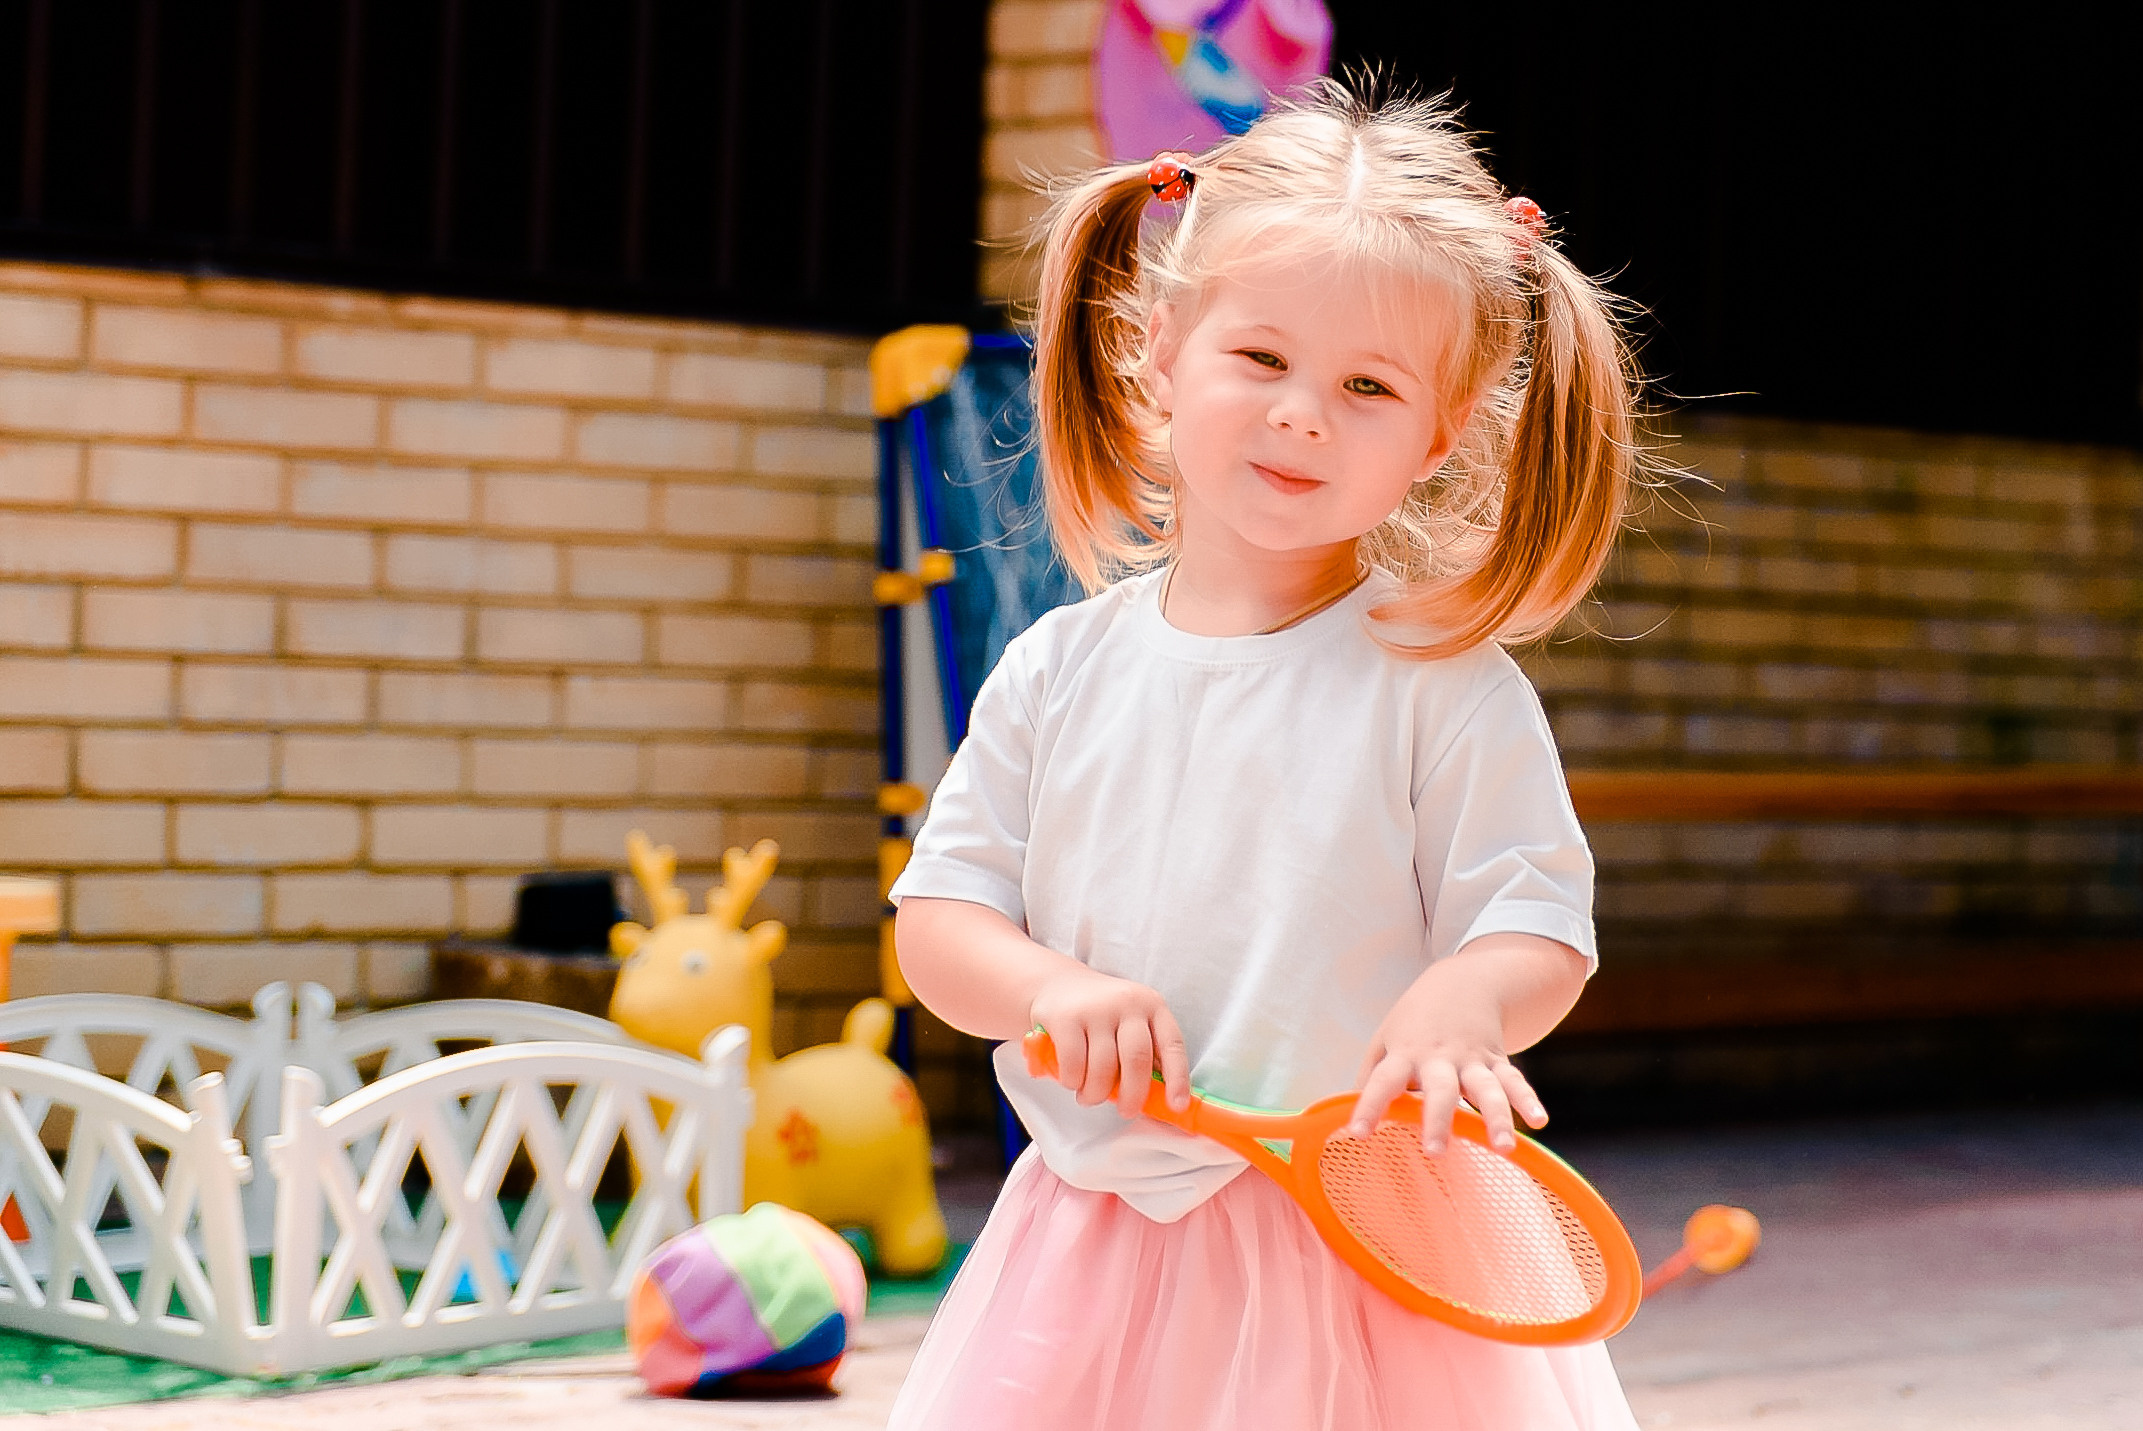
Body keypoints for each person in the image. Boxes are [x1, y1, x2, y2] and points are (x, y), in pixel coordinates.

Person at [885, 79, 1644, 1430]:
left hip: (1374, 1243)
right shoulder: (1058, 673)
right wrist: (1049, 988)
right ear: (1162, 347)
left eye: (1368, 386)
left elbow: (1536, 921)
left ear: (1440, 433)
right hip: (1097, 1236)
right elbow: (938, 924)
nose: (1305, 413)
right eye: (1262, 360)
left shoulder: (1442, 688)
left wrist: (1465, 1005)